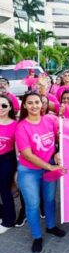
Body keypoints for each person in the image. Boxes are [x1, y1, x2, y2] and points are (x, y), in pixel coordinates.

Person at [15, 92, 65, 253]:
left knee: (50, 200)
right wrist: (49, 167)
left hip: (49, 165)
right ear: (24, 105)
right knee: (33, 204)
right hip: (29, 171)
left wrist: (57, 151)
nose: (34, 106)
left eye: (37, 102)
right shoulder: (22, 127)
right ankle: (37, 236)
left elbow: (59, 139)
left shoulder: (50, 120)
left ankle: (50, 227)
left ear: (42, 104)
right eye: (30, 103)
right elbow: (27, 154)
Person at [0, 95, 17, 234]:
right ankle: (2, 212)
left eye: (4, 105)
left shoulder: (15, 124)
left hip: (7, 159)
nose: (1, 108)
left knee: (4, 189)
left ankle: (9, 220)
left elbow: (18, 148)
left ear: (10, 107)